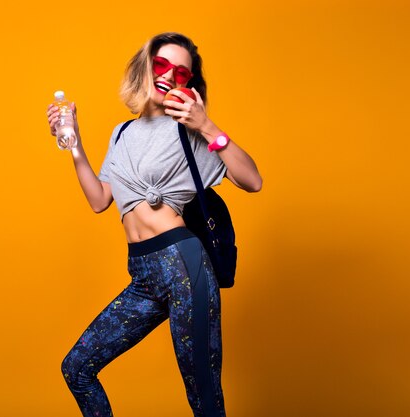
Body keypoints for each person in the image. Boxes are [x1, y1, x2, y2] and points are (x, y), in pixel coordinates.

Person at [46, 32, 262, 417]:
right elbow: (100, 200)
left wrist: (209, 126)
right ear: (144, 67)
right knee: (77, 368)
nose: (168, 77)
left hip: (184, 267)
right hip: (144, 274)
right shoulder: (122, 132)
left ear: (189, 84)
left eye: (181, 73)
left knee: (203, 395)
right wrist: (74, 143)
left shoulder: (189, 129)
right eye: (161, 65)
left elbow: (252, 180)